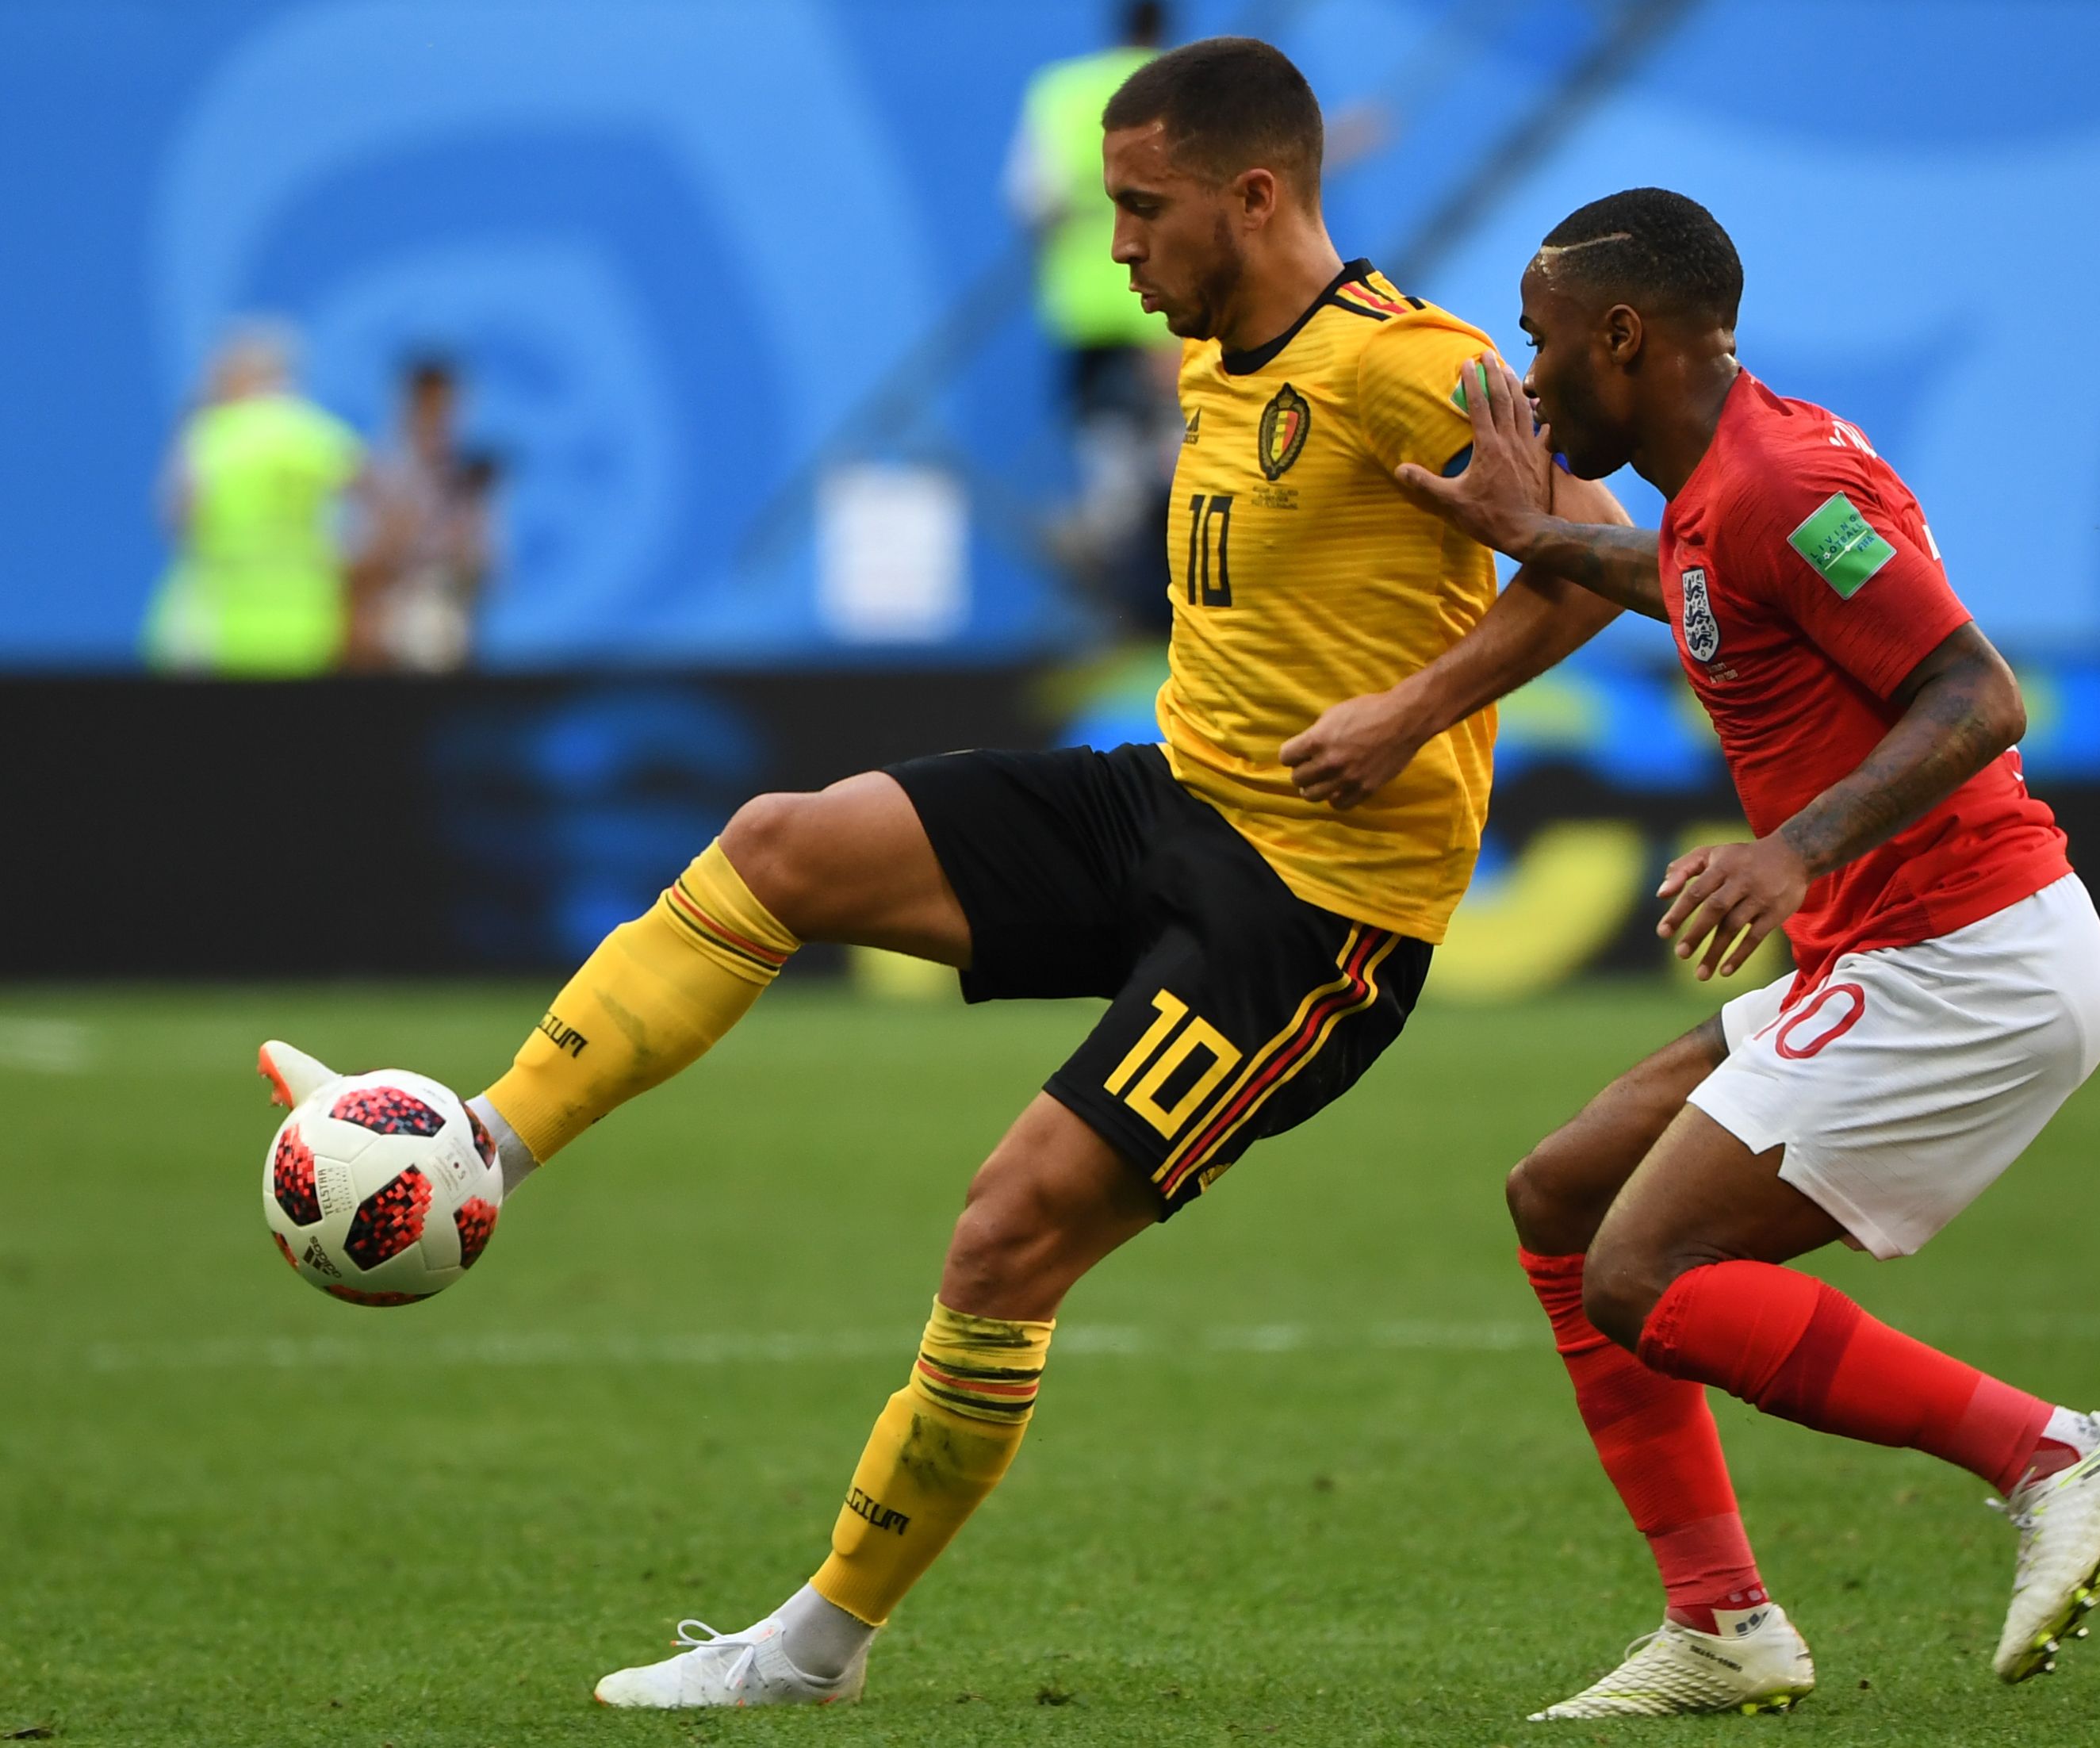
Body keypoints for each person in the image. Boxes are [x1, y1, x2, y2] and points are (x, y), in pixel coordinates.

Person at [260, 36, 1622, 1708]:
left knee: (1004, 1239)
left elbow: (1587, 563)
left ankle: (811, 1649)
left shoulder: (1413, 370)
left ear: (1256, 195)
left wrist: (1412, 708)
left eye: (1142, 207)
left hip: (1317, 915)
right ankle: (482, 1148)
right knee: (781, 845)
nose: (1112, 243)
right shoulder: (1216, 352)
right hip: (1177, 801)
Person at [1389, 189, 2100, 1718]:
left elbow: (1977, 692)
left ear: (1625, 334)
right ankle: (1721, 1620)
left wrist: (1790, 848)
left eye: (1545, 346)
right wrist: (1526, 531)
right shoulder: (1711, 486)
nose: (1531, 382)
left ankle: (2051, 1450)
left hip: (1968, 957)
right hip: (1890, 947)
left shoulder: (1781, 479)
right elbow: (1682, 575)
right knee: (1561, 1194)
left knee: (1648, 1267)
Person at [1006, 1, 1185, 634]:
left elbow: (1033, 200)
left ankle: (1112, 558)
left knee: (1107, 451)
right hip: (1167, 308)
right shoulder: (1184, 91)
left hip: (1083, 309)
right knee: (1181, 449)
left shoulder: (1060, 92)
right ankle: (1160, 588)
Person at [144, 320, 363, 677]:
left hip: (219, 630)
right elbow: (366, 530)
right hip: (309, 629)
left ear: (238, 376)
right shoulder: (328, 439)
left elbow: (175, 518)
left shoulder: (210, 436)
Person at [347, 355, 496, 673]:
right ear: (408, 406)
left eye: (445, 408)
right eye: (428, 407)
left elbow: (487, 569)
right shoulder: (377, 472)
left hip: (447, 632)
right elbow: (354, 567)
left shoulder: (470, 479)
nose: (438, 419)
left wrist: (462, 558)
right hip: (381, 633)